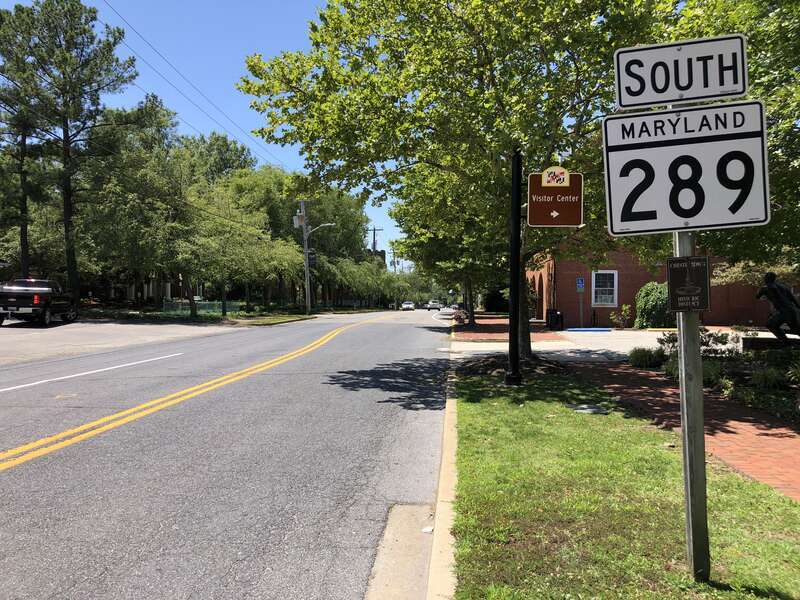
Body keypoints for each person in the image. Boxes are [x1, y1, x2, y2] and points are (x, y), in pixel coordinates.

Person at [756, 272, 800, 345]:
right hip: (790, 310)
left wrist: (764, 293)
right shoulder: (784, 287)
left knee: (771, 325)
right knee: (794, 329)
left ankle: (787, 344)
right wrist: (798, 307)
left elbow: (757, 296)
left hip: (785, 311)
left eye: (765, 277)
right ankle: (787, 344)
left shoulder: (765, 288)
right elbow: (793, 299)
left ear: (766, 279)